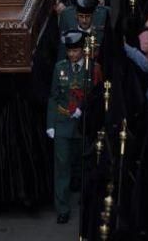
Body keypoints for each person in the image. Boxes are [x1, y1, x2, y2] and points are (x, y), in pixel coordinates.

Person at [47, 30, 88, 224]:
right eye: (69, 51)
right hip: (63, 123)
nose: (72, 55)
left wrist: (83, 109)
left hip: (82, 124)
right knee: (62, 168)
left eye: (76, 50)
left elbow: (94, 95)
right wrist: (50, 124)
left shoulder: (91, 68)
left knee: (84, 164)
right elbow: (54, 96)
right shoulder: (60, 68)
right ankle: (62, 208)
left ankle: (87, 201)